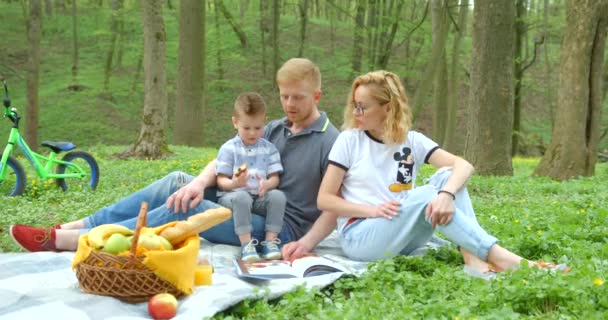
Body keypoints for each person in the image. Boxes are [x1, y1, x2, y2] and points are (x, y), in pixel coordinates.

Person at [9, 58, 340, 252]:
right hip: (243, 200)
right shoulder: (272, 128)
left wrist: (305, 244)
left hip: (277, 227)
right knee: (179, 184)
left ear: (317, 95)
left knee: (182, 209)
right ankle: (76, 224)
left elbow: (333, 206)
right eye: (284, 96)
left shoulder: (332, 142)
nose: (289, 105)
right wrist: (198, 183)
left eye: (298, 98)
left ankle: (71, 241)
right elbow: (221, 162)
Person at [282, 70, 568, 279]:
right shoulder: (349, 140)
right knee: (433, 192)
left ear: (387, 107)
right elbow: (326, 200)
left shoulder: (412, 140)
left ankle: (473, 260)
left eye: (363, 106)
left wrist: (445, 194)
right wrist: (368, 211)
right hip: (362, 236)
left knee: (447, 178)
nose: (356, 112)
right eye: (354, 104)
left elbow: (464, 166)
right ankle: (502, 259)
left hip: (405, 231)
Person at [216, 92, 286, 261]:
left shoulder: (269, 149)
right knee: (242, 197)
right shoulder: (229, 148)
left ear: (265, 122)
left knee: (278, 196)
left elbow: (275, 177)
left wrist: (268, 185)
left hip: (259, 198)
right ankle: (247, 245)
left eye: (258, 128)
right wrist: (234, 183)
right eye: (246, 128)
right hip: (233, 197)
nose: (252, 133)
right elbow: (220, 181)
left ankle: (270, 243)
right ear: (235, 122)